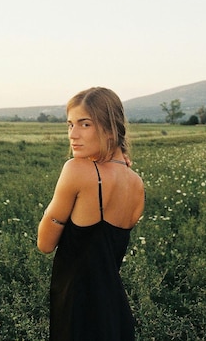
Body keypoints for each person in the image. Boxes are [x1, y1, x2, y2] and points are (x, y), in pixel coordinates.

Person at [37, 87, 146, 341]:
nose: (73, 135)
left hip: (78, 309)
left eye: (84, 124)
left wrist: (53, 209)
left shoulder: (77, 170)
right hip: (114, 310)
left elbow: (44, 243)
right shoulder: (137, 184)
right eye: (70, 125)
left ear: (110, 128)